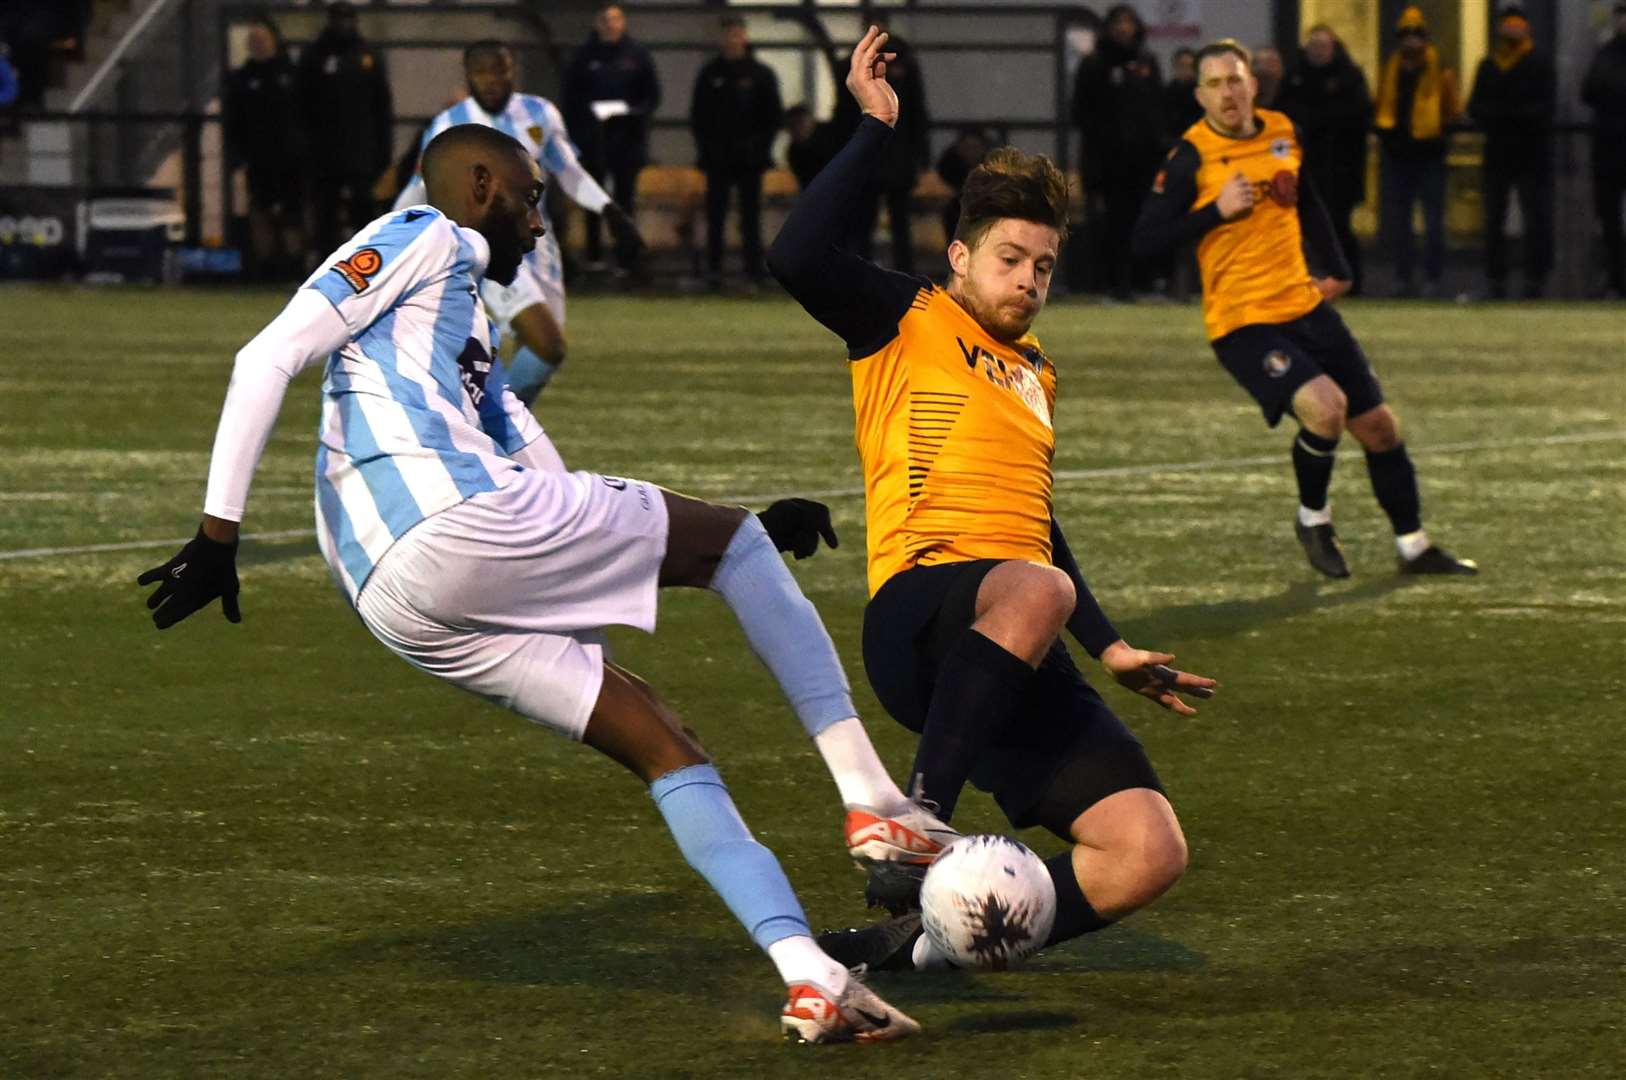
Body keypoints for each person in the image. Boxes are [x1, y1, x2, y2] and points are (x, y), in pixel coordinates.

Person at [135, 121, 949, 1044]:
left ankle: (810, 978)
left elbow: (561, 502)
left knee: (665, 739)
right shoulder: (418, 233)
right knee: (736, 555)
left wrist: (738, 526)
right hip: (449, 522)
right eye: (530, 200)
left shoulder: (467, 342)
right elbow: (265, 355)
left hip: (398, 597)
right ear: (479, 183)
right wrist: (216, 533)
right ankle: (879, 808)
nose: (537, 224)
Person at [770, 27, 1218, 974]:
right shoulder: (906, 318)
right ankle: (913, 821)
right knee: (1034, 589)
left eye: (1044, 267)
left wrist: (1112, 646)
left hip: (1013, 630)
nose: (1028, 282)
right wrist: (873, 130)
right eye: (1011, 259)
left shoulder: (1040, 376)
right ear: (960, 255)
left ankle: (913, 949)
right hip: (920, 612)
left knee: (1145, 850)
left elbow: (1040, 531)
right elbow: (797, 255)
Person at [1132, 41, 1477, 580]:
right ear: (1199, 94)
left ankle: (1415, 547)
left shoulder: (1281, 131)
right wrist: (1213, 213)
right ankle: (1312, 517)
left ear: (1253, 85)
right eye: (1215, 83)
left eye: (1235, 80)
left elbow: (1306, 199)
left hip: (1305, 306)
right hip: (1242, 322)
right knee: (1326, 408)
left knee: (1381, 428)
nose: (1228, 92)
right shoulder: (1190, 157)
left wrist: (1337, 266)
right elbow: (1144, 240)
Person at [393, 41, 643, 405]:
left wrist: (610, 211)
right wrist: (387, 234)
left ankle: (494, 434)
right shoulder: (449, 125)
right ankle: (483, 424)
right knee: (548, 344)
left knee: (539, 355)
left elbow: (568, 171)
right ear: (468, 75)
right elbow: (419, 188)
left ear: (512, 71)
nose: (492, 80)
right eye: (483, 72)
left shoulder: (539, 113)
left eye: (501, 71)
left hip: (540, 245)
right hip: (489, 247)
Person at [1073, 4, 1165, 300]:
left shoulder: (1147, 61)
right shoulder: (1094, 63)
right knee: (1112, 222)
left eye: (1129, 22)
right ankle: (1111, 283)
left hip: (1143, 160)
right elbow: (1081, 112)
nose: (1124, 28)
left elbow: (1156, 108)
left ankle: (1142, 282)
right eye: (1118, 22)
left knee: (1142, 220)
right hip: (1108, 161)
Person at [563, 3, 661, 277]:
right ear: (597, 22)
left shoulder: (637, 56)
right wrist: (584, 127)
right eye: (605, 19)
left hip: (626, 141)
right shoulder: (583, 57)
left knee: (624, 200)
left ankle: (626, 259)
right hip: (592, 141)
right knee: (592, 200)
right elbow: (571, 99)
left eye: (616, 18)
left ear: (624, 22)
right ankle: (594, 257)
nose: (610, 24)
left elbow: (651, 98)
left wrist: (630, 113)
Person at [1467, 4, 1555, 300]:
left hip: (1532, 154)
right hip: (1499, 154)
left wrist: (1505, 115)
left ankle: (1535, 279)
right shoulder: (1490, 65)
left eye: (1517, 25)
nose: (1512, 31)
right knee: (1494, 219)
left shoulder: (1538, 63)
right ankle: (1496, 279)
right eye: (1508, 26)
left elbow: (1545, 109)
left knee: (1536, 218)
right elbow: (1476, 107)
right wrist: (1508, 115)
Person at [1279, 24, 1373, 296]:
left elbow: (1358, 116)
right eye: (1313, 46)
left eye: (1323, 46)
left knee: (1339, 227)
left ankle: (1350, 282)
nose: (1317, 52)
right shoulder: (1295, 77)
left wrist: (1318, 120)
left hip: (1341, 168)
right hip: (1305, 169)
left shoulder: (1349, 78)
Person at [1373, 6, 1460, 298]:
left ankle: (1433, 278)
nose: (1411, 42)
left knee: (1434, 222)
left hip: (1430, 156)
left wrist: (1439, 138)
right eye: (1405, 36)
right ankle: (1402, 277)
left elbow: (1452, 111)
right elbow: (1382, 108)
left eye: (1416, 36)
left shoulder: (1440, 71)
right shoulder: (1391, 70)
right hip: (1398, 156)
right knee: (1400, 222)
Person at [689, 15, 783, 286]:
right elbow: (699, 116)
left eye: (737, 34)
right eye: (728, 34)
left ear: (744, 36)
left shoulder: (760, 74)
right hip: (717, 158)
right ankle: (714, 269)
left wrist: (759, 147)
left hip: (750, 159)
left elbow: (772, 117)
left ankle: (753, 270)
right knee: (715, 215)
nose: (732, 40)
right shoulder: (710, 74)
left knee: (750, 216)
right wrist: (707, 148)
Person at [297, 1, 393, 260]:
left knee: (363, 211)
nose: (344, 25)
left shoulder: (368, 56)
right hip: (324, 153)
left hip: (361, 153)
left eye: (348, 19)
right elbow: (301, 105)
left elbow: (381, 108)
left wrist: (382, 155)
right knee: (324, 215)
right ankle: (327, 269)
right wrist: (306, 148)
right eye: (339, 19)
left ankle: (366, 266)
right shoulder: (314, 56)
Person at [837, 20, 931, 273]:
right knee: (866, 222)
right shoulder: (854, 65)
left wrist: (921, 158)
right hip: (874, 156)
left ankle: (900, 274)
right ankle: (864, 274)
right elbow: (843, 116)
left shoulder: (901, 61)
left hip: (892, 156)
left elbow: (917, 112)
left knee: (896, 222)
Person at [225, 20, 306, 281]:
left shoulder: (291, 74)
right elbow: (234, 121)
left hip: (291, 159)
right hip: (258, 160)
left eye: (263, 39)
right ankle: (266, 268)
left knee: (292, 215)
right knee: (261, 213)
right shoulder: (243, 78)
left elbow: (311, 114)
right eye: (253, 40)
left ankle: (295, 267)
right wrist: (238, 157)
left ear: (273, 40)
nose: (258, 44)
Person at [1581, 2, 1626, 299]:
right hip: (1609, 150)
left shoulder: (1605, 56)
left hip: (1612, 144)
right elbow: (1587, 91)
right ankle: (1617, 280)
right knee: (1609, 220)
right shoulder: (1605, 53)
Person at [933, 125, 992, 245]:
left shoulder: (992, 162)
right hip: (959, 200)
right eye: (968, 148)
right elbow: (947, 180)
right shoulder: (951, 161)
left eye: (975, 147)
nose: (971, 152)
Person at [1163, 48, 1204, 139]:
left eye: (1190, 66)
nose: (1186, 70)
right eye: (1182, 66)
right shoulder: (1166, 93)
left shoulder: (1203, 94)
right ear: (1175, 68)